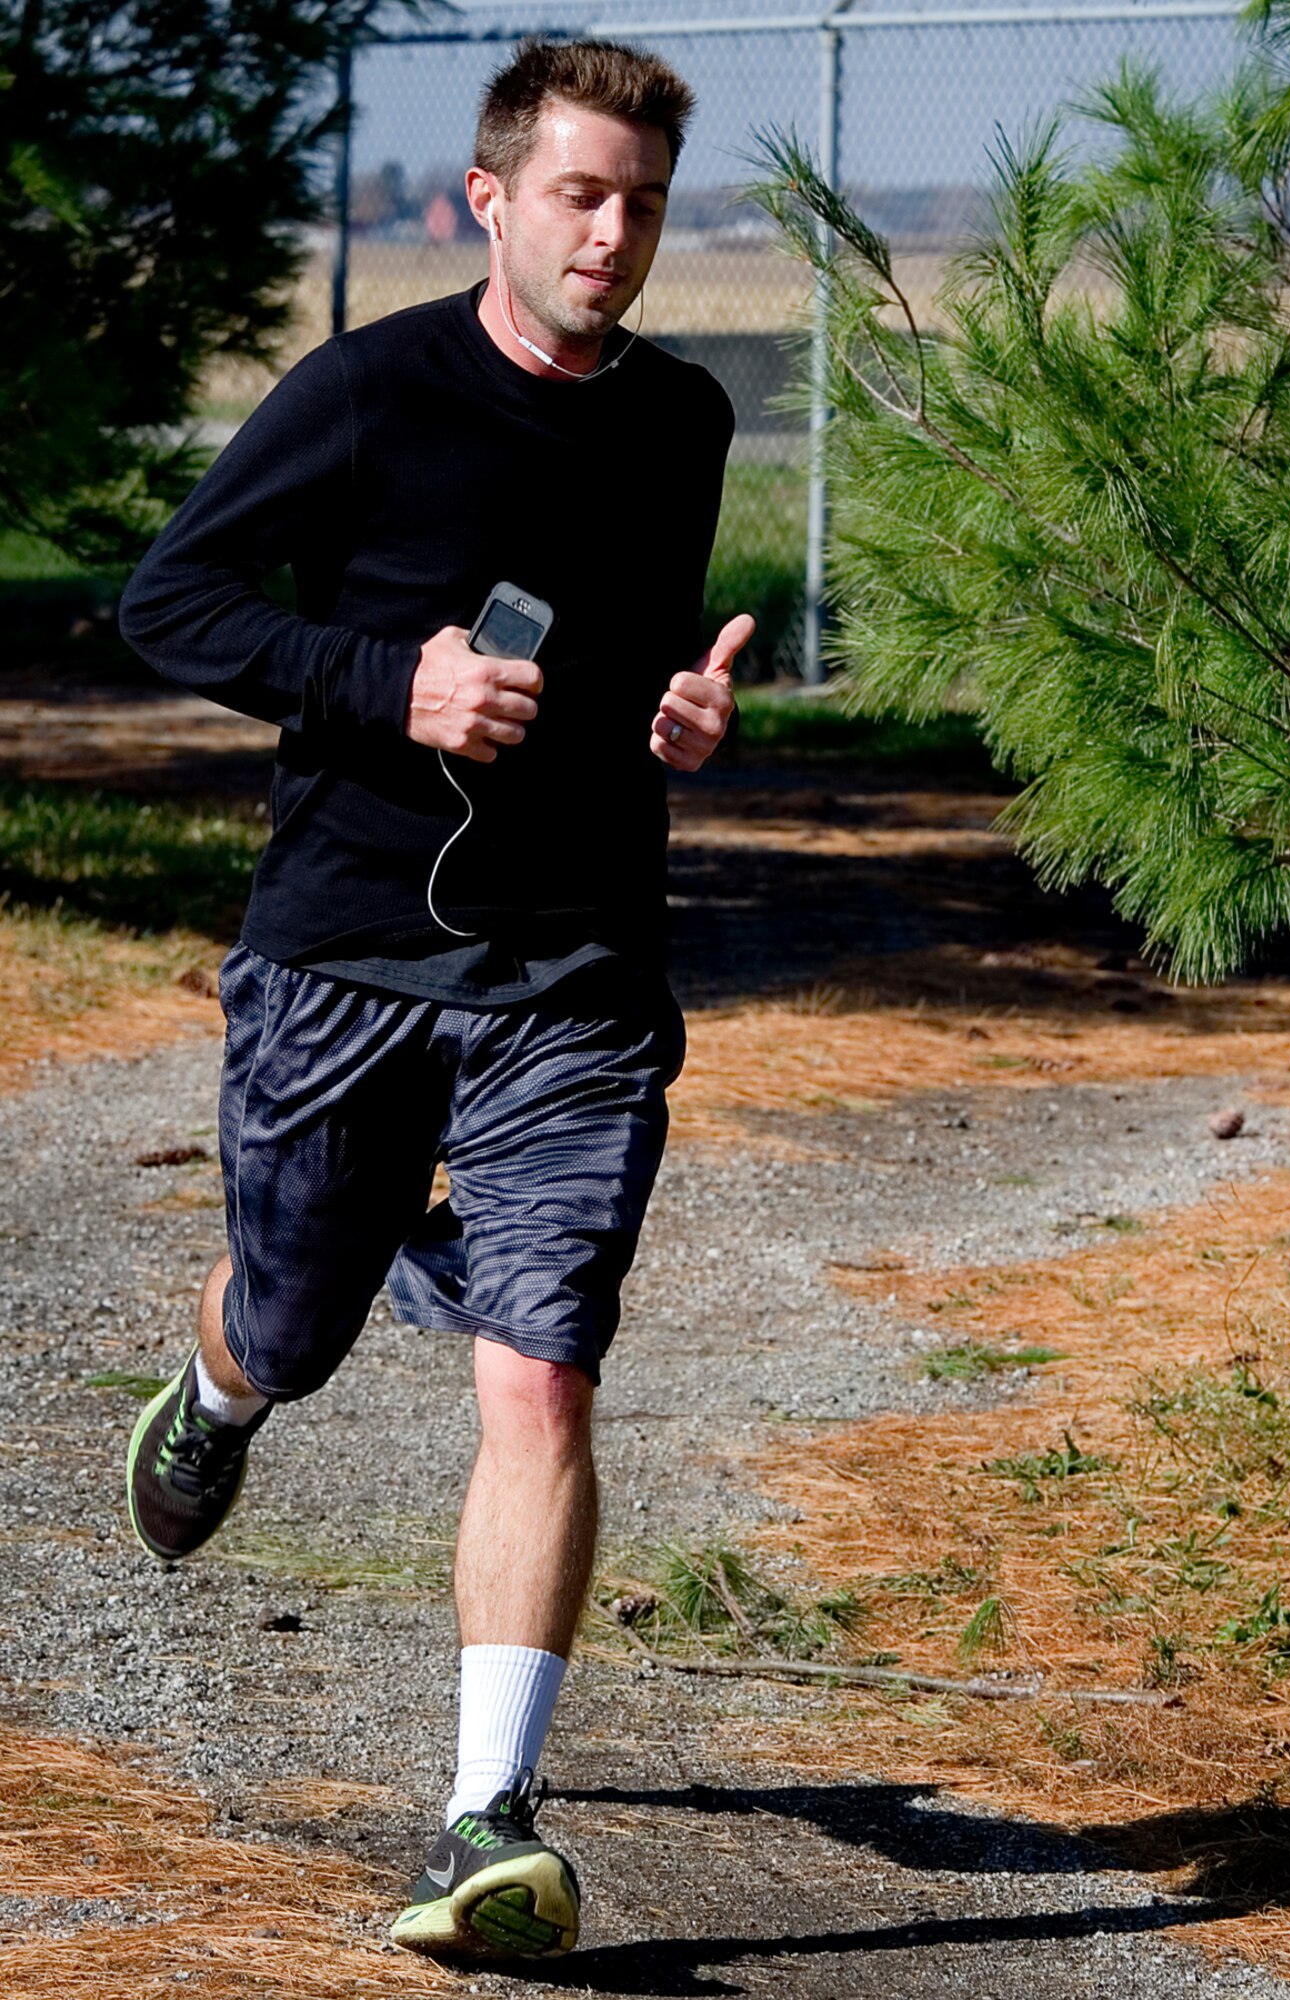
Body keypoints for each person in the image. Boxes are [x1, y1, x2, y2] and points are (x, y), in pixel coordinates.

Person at [116, 35, 752, 1965]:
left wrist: (678, 716)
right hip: (343, 955)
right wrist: (387, 683)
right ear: (490, 198)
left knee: (543, 1363)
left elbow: (639, 661)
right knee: (295, 1310)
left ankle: (489, 1819)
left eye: (639, 199)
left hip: (572, 971)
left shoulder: (684, 420)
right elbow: (173, 603)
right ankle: (224, 1379)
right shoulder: (372, 392)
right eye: (578, 193)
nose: (613, 233)